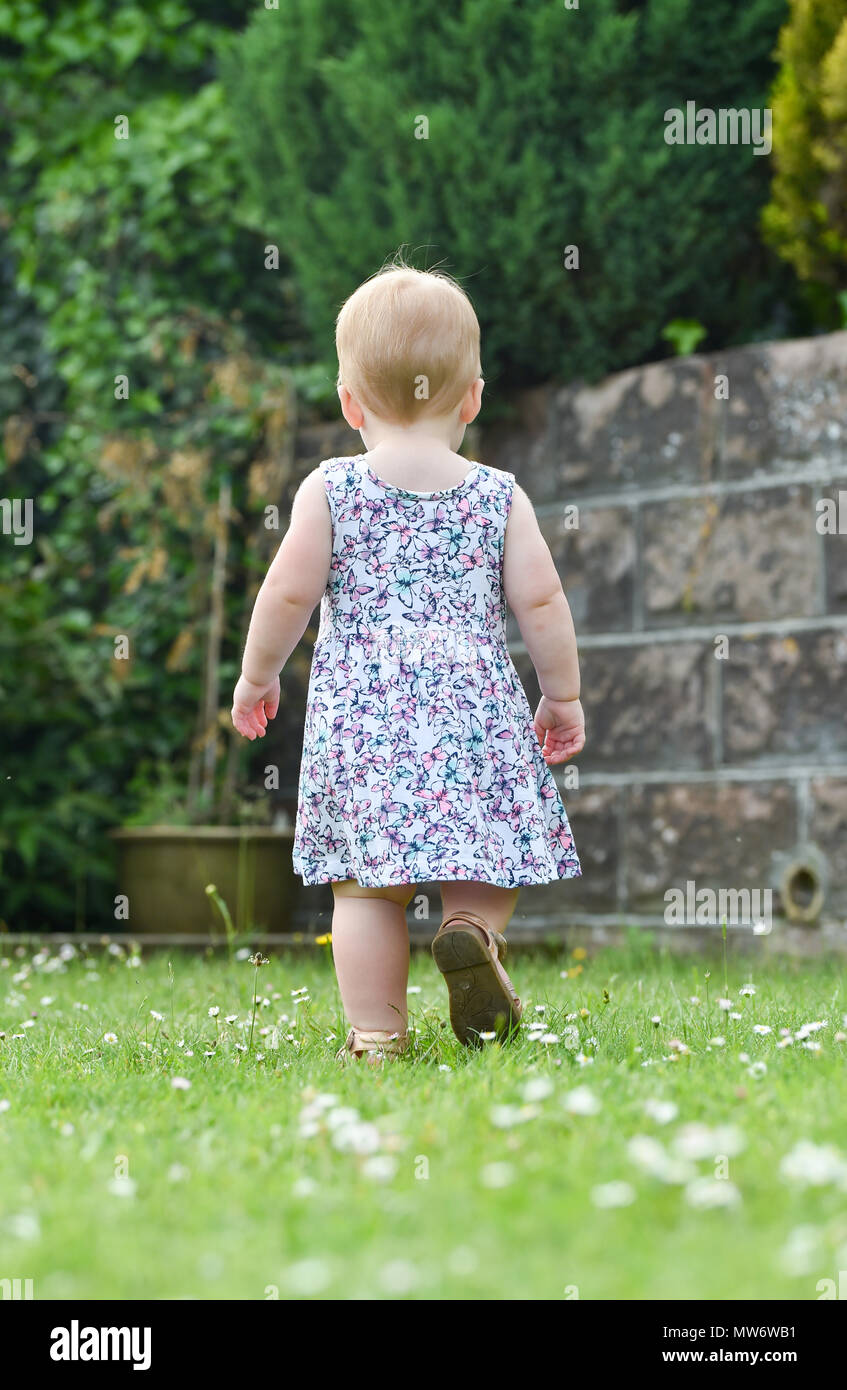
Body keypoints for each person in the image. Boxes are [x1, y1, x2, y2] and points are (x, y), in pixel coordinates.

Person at [232, 261, 584, 1065]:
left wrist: (257, 678)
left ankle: (378, 1033)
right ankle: (470, 931)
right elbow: (541, 605)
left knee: (363, 888)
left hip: (364, 718)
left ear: (349, 402)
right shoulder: (498, 494)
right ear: (472, 397)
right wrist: (559, 697)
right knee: (487, 852)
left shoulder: (332, 489)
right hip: (473, 709)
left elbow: (286, 596)